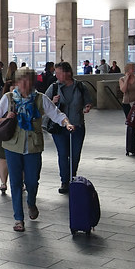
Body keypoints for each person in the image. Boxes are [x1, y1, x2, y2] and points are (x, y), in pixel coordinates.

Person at [0, 68, 72, 231]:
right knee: (15, 182)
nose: (25, 84)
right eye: (22, 80)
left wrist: (67, 123)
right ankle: (18, 219)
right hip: (12, 145)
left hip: (33, 146)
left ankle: (31, 203)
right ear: (17, 82)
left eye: (28, 80)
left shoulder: (40, 99)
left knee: (32, 181)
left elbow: (56, 114)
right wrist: (6, 118)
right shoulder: (8, 98)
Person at [45, 62, 93, 193]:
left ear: (67, 73)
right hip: (59, 127)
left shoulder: (80, 86)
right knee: (63, 154)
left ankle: (72, 176)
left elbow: (88, 101)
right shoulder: (54, 87)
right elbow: (44, 104)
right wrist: (53, 101)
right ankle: (64, 181)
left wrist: (87, 107)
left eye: (58, 73)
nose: (56, 75)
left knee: (75, 154)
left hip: (77, 125)